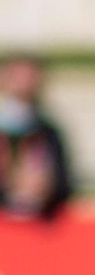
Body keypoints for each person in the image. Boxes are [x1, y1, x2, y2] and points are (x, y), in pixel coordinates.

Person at [0, 54, 73, 219]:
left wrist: (46, 189)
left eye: (30, 77)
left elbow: (65, 183)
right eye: (18, 77)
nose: (24, 83)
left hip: (40, 222)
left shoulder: (49, 132)